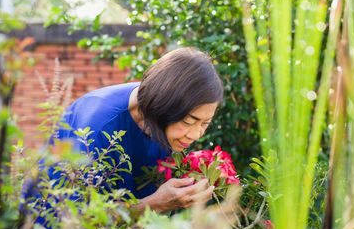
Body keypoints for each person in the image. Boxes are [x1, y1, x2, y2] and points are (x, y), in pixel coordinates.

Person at [49, 47, 223, 213]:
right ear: (164, 104)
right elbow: (82, 219)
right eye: (188, 122)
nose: (195, 135)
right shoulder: (97, 129)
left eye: (205, 123)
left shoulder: (162, 120)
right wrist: (155, 203)